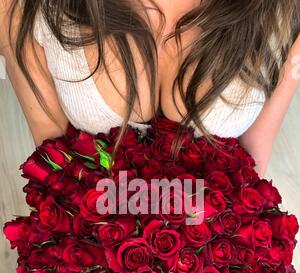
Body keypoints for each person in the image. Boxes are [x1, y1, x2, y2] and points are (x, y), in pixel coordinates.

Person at [1, 0, 300, 177]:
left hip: (210, 272)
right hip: (98, 257)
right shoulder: (24, 6)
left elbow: (252, 162)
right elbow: (53, 164)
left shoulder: (282, 10)